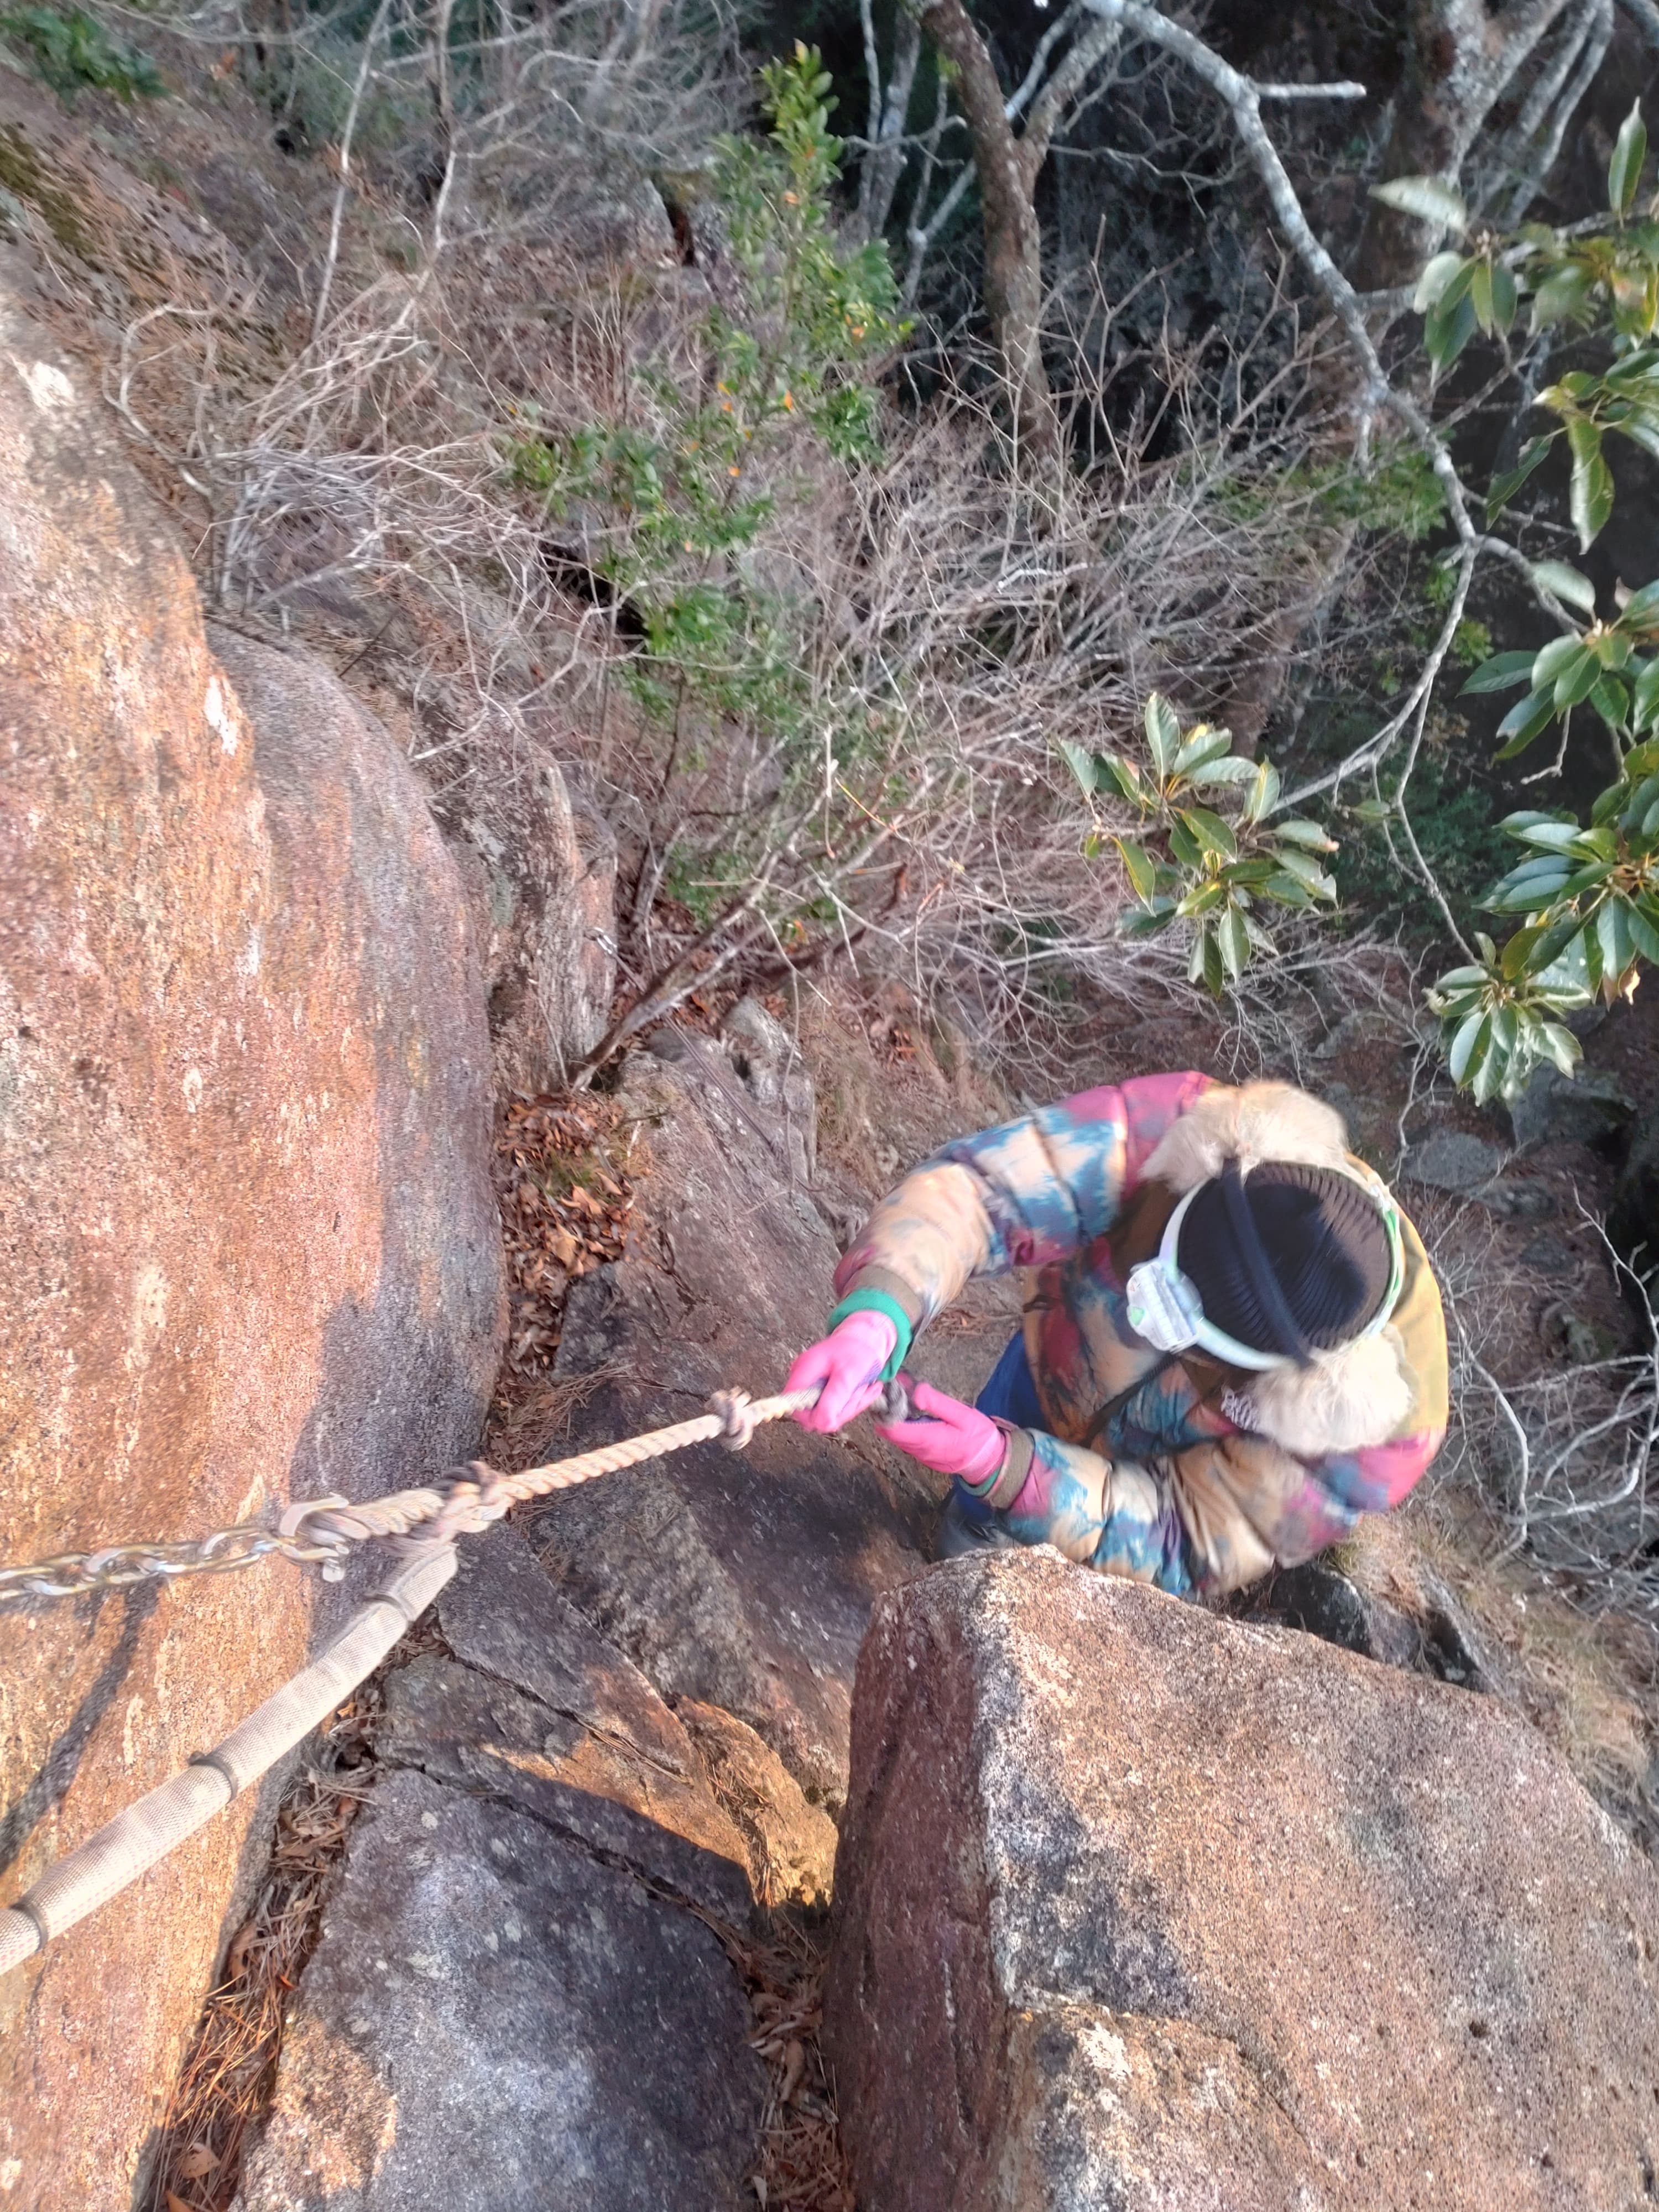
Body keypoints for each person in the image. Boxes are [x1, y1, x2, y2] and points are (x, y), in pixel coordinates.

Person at [785, 1073, 1447, 1601]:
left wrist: (1005, 1467)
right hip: (1056, 1364)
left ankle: (987, 1543)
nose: (1143, 1304)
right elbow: (985, 1191)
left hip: (1149, 1486)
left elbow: (1185, 1536)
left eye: (1177, 1318)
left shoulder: (1374, 1437)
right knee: (980, 1474)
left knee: (1022, 1593)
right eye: (1161, 1264)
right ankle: (967, 1514)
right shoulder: (1184, 1132)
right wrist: (880, 1313)